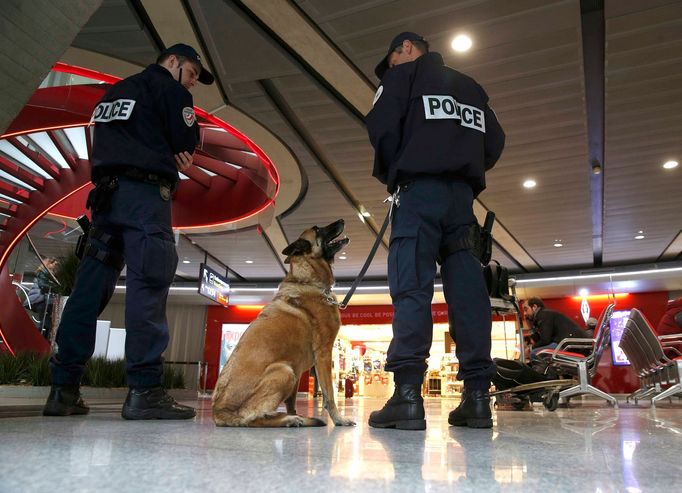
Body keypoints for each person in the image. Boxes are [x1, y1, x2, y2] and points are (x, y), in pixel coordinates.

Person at [43, 44, 214, 420]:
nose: (192, 84)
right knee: (148, 286)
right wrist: (175, 143)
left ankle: (63, 390)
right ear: (173, 61)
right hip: (144, 200)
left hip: (105, 200)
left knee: (87, 291)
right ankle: (145, 390)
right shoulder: (170, 90)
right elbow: (187, 144)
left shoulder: (115, 92)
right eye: (191, 74)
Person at [365, 32, 505, 430]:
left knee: (412, 287)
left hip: (418, 196)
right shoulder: (470, 87)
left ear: (406, 48)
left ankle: (407, 396)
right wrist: (459, 161)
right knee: (469, 294)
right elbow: (494, 141)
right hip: (461, 202)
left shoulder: (402, 78)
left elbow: (381, 129)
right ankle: (477, 398)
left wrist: (406, 164)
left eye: (392, 59)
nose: (391, 68)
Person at [523, 297, 591, 358]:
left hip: (572, 346)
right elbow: (540, 340)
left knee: (534, 353)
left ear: (534, 307)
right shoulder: (544, 315)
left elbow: (545, 340)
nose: (524, 313)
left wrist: (530, 348)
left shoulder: (544, 315)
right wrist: (530, 325)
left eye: (526, 309)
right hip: (571, 344)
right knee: (537, 352)